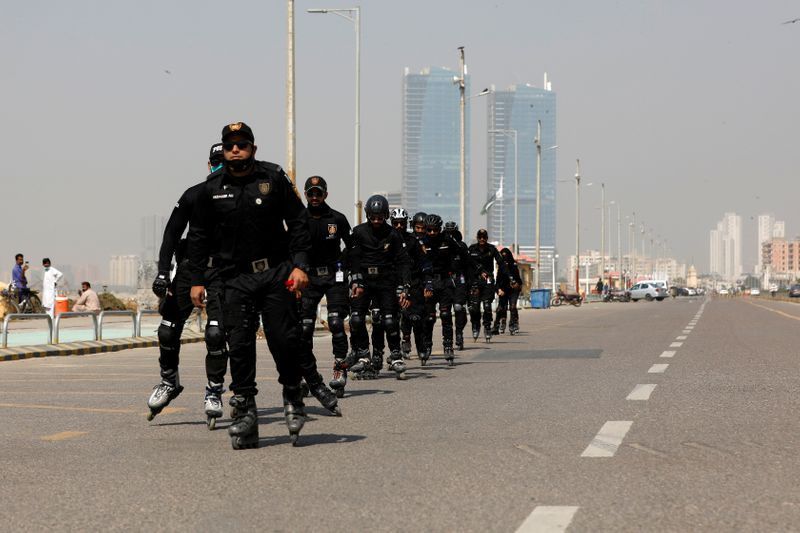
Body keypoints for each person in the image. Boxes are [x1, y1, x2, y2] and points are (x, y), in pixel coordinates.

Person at [188, 122, 312, 449]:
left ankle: (292, 395)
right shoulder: (211, 188)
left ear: (253, 149)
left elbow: (299, 222)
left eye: (242, 144)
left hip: (275, 273)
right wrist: (197, 279)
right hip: (233, 278)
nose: (235, 150)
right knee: (239, 345)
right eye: (230, 145)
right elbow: (198, 236)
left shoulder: (273, 179)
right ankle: (245, 412)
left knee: (284, 339)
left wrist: (300, 265)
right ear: (224, 150)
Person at [146, 143, 230, 429]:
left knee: (216, 333)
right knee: (167, 329)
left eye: (224, 161)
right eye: (216, 161)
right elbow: (171, 234)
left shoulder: (241, 197)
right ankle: (169, 381)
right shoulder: (193, 195)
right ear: (209, 164)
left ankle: (214, 390)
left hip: (222, 272)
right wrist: (161, 273)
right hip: (188, 269)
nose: (220, 166)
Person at [347, 195, 413, 380]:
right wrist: (354, 280)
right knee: (357, 319)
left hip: (386, 281)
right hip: (364, 281)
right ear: (368, 215)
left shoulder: (393, 234)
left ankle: (395, 356)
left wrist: (405, 287)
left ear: (385, 216)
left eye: (380, 217)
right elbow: (351, 258)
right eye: (373, 217)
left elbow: (403, 262)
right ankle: (363, 354)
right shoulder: (359, 232)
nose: (376, 221)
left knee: (389, 320)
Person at [297, 175, 349, 408]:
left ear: (326, 194)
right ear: (306, 195)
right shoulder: (298, 219)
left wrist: (350, 274)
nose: (315, 197)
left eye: (319, 193)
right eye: (311, 193)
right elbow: (292, 249)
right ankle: (307, 374)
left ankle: (340, 367)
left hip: (334, 276)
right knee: (305, 328)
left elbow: (352, 248)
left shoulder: (337, 219)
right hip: (309, 279)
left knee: (336, 322)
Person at [420, 214, 477, 365]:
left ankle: (448, 346)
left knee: (445, 315)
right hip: (429, 281)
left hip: (446, 281)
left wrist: (476, 270)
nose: (432, 233)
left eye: (435, 230)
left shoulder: (447, 239)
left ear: (440, 229)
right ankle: (426, 346)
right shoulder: (421, 242)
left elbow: (464, 255)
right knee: (430, 318)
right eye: (429, 230)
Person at [468, 230, 507, 343]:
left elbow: (501, 263)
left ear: (487, 238)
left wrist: (508, 276)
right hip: (475, 281)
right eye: (480, 237)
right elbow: (467, 263)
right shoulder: (471, 249)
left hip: (488, 281)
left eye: (484, 237)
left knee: (487, 306)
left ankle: (487, 328)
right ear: (477, 237)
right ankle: (475, 325)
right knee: (474, 307)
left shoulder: (491, 249)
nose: (482, 239)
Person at [443, 221, 471, 350]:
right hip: (445, 280)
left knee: (459, 308)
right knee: (445, 312)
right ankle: (448, 338)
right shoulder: (441, 246)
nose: (450, 235)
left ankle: (459, 333)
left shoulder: (462, 246)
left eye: (452, 232)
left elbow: (468, 265)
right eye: (448, 232)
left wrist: (471, 284)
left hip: (460, 278)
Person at [492, 248, 522, 335]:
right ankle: (498, 325)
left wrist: (517, 284)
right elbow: (497, 282)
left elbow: (519, 281)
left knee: (512, 307)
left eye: (506, 257)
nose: (505, 260)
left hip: (513, 291)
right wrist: (498, 290)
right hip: (504, 291)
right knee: (501, 308)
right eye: (502, 257)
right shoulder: (500, 269)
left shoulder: (514, 266)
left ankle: (513, 324)